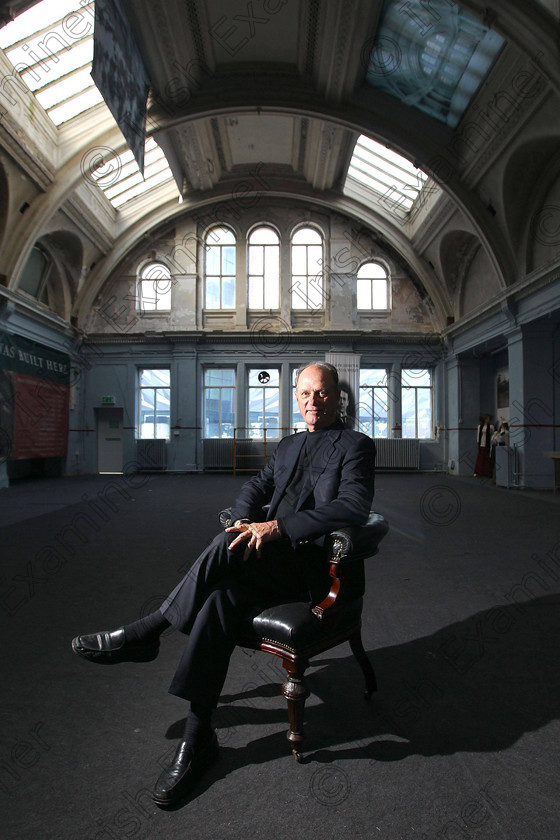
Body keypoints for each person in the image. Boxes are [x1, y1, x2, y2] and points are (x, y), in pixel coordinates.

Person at [71, 362, 376, 806]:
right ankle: (198, 739)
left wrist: (277, 528)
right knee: (218, 599)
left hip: (309, 567)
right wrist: (241, 521)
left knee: (220, 546)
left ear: (337, 398)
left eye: (323, 393)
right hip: (266, 559)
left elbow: (352, 506)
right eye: (306, 393)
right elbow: (255, 486)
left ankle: (150, 630)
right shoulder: (289, 445)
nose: (313, 401)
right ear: (296, 397)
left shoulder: (356, 446)